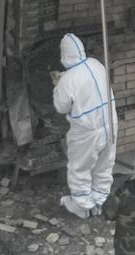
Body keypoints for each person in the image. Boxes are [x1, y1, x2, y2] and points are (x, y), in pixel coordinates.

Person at [52, 33, 118, 219]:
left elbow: (60, 106)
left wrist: (58, 85)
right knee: (104, 164)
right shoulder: (96, 64)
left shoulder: (68, 79)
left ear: (64, 55)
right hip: (110, 123)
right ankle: (100, 201)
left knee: (79, 167)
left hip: (87, 131)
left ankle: (81, 206)